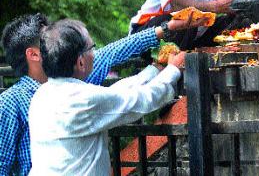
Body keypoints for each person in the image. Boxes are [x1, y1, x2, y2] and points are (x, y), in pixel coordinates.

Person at [0, 12, 203, 175]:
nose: (96, 54)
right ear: (80, 61)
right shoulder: (70, 99)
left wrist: (155, 69)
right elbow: (139, 101)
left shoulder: (44, 94)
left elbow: (113, 94)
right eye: (92, 48)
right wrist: (174, 70)